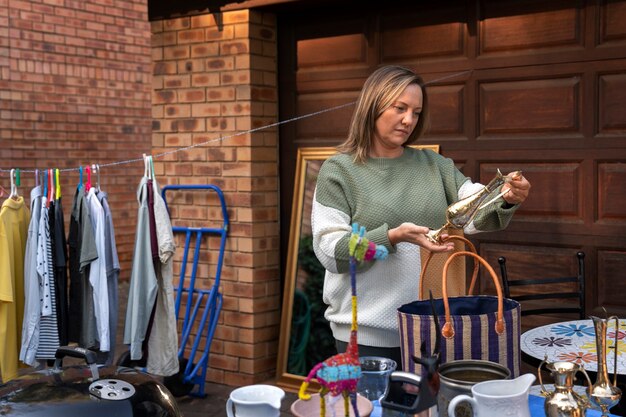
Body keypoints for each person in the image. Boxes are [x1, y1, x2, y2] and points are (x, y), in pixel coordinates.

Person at [310, 65, 531, 369]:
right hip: (367, 338)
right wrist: (390, 238)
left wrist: (506, 197)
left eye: (416, 112)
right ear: (372, 105)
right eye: (399, 108)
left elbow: (471, 213)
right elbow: (331, 252)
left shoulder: (434, 165)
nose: (408, 120)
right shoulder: (340, 171)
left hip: (435, 329)